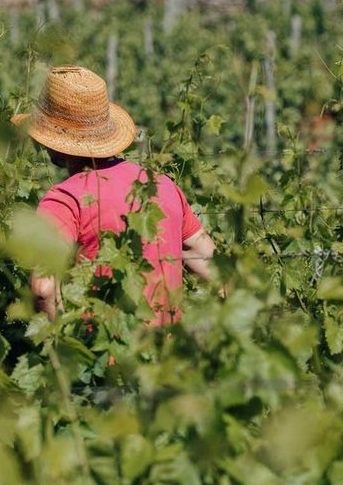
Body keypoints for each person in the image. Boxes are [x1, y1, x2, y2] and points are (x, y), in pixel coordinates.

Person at [13, 65, 217, 322]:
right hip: (169, 356)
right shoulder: (162, 185)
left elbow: (43, 290)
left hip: (107, 357)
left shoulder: (64, 200)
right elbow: (213, 265)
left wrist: (67, 352)